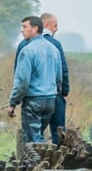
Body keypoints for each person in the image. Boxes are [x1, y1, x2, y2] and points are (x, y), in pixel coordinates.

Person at [8, 15, 61, 147]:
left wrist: (13, 103)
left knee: (32, 142)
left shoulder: (27, 51)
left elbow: (22, 81)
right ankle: (44, 163)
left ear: (35, 28)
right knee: (39, 136)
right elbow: (59, 77)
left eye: (25, 27)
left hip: (33, 100)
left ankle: (35, 166)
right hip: (50, 99)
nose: (22, 30)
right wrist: (54, 93)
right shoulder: (54, 50)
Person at [41, 13, 70, 145]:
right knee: (58, 131)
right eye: (55, 25)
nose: (57, 29)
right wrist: (64, 92)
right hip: (54, 93)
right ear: (46, 25)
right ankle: (59, 160)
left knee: (35, 133)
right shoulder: (55, 44)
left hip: (34, 95)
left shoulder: (27, 44)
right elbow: (63, 70)